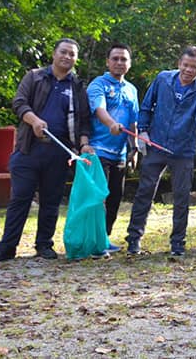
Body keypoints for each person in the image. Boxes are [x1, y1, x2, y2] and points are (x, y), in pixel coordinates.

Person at [0, 38, 94, 262]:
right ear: (54, 54)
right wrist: (33, 120)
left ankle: (44, 244)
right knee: (20, 199)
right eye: (63, 52)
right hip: (28, 150)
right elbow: (19, 103)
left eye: (72, 54)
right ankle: (7, 247)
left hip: (59, 153)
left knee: (51, 201)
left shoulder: (77, 86)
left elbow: (84, 121)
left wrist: (84, 144)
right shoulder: (34, 76)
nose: (67, 57)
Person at [126, 46, 196, 257]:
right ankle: (134, 240)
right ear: (179, 64)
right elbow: (146, 107)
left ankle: (177, 244)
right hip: (156, 144)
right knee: (145, 192)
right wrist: (144, 132)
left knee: (182, 196)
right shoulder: (163, 79)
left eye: (194, 67)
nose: (188, 70)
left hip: (183, 150)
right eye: (185, 65)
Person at [87, 43, 139, 253]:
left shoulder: (131, 89)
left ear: (129, 63)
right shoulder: (98, 84)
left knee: (115, 198)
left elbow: (134, 121)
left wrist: (134, 148)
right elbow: (99, 108)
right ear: (107, 62)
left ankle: (104, 238)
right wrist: (111, 125)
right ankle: (95, 241)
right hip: (97, 150)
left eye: (123, 59)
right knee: (98, 198)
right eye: (115, 59)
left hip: (120, 153)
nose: (119, 63)